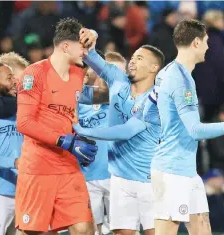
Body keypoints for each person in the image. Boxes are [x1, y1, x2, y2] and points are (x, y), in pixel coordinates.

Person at [15, 18, 98, 235]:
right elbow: (24, 122)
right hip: (38, 168)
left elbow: (105, 87)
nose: (85, 51)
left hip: (69, 167)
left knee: (85, 229)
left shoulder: (78, 74)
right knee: (34, 232)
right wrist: (63, 140)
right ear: (65, 46)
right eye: (83, 47)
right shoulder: (34, 74)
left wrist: (94, 41)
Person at [79, 28, 165, 235]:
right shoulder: (118, 80)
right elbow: (91, 58)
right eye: (133, 57)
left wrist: (79, 130)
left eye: (140, 58)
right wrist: (91, 36)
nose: (133, 61)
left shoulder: (157, 100)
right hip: (119, 178)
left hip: (150, 179)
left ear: (154, 67)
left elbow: (125, 131)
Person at [151, 19, 224, 235]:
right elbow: (195, 130)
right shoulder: (180, 80)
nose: (208, 47)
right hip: (172, 172)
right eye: (206, 42)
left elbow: (149, 114)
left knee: (202, 228)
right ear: (195, 43)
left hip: (187, 171)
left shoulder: (169, 73)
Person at [78, 51, 127, 235]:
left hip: (119, 177)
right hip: (88, 176)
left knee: (124, 230)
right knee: (90, 229)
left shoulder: (126, 102)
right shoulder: (81, 103)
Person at [0, 62, 23, 235]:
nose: (15, 81)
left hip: (26, 190)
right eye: (9, 78)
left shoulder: (22, 110)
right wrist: (14, 162)